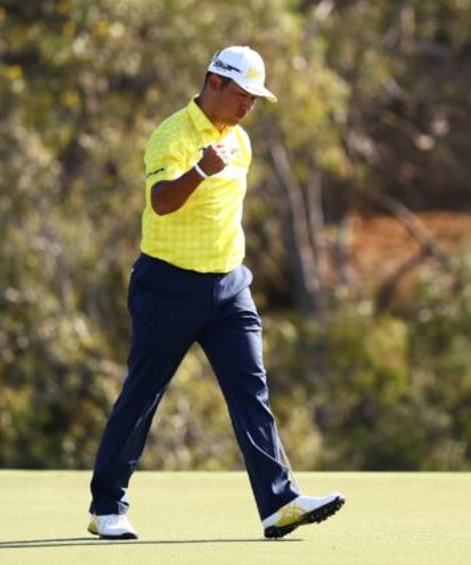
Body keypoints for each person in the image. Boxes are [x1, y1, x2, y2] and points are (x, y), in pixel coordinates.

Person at [87, 45, 344, 540]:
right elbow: (161, 203)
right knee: (143, 394)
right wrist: (200, 169)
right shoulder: (172, 136)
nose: (249, 105)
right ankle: (106, 507)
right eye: (242, 94)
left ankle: (278, 503)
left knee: (252, 392)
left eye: (255, 98)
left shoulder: (241, 142)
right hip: (168, 286)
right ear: (214, 82)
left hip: (228, 287)